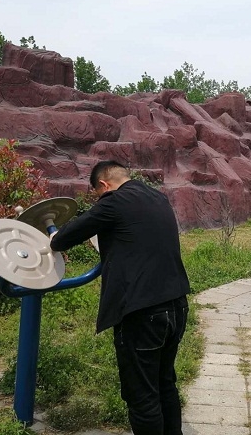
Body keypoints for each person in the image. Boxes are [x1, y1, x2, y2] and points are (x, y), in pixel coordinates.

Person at [50, 160, 190, 435]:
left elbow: (63, 239)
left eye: (97, 194)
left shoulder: (114, 202)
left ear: (104, 185)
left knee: (142, 396)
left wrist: (54, 234)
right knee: (164, 383)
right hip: (176, 305)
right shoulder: (157, 197)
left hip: (143, 314)